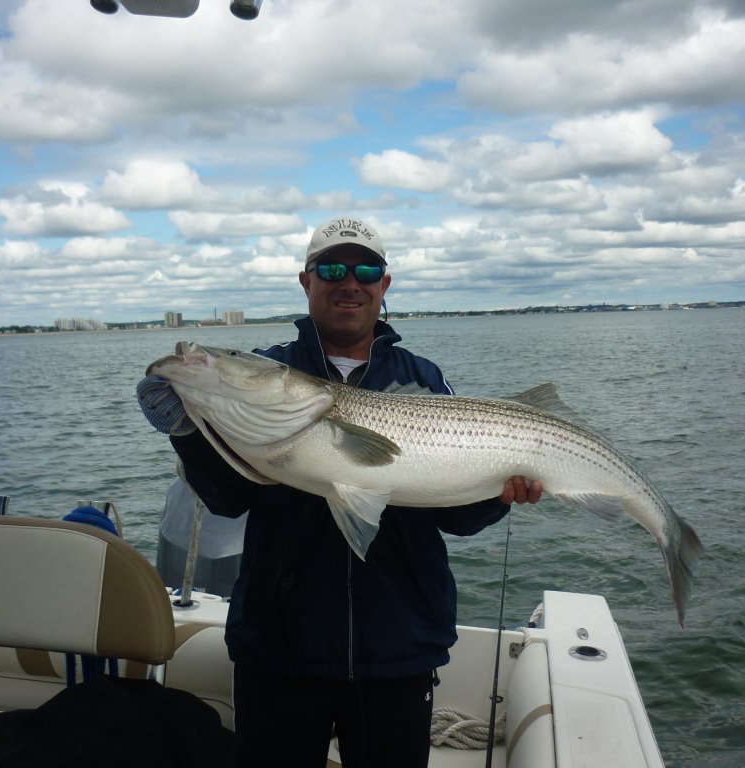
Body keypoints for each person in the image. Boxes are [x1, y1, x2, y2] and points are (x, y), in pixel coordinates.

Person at [138, 216, 542, 768]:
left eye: (366, 271)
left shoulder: (423, 379)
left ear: (384, 284)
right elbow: (228, 498)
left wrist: (499, 495)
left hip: (398, 648)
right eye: (331, 269)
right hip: (278, 645)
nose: (349, 283)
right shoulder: (270, 371)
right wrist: (189, 433)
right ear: (306, 282)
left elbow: (456, 517)